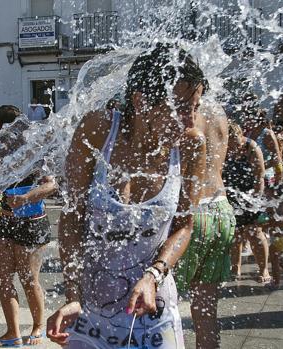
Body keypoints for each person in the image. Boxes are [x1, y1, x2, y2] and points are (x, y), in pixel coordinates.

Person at [46, 44, 207, 348]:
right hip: (90, 308)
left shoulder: (190, 145)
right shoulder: (97, 130)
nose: (191, 121)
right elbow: (72, 217)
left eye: (196, 108)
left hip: (152, 303)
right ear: (141, 101)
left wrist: (154, 275)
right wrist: (72, 296)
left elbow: (185, 226)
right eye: (182, 108)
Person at [0, 105, 57, 347]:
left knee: (29, 278)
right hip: (6, 222)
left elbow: (51, 185)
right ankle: (13, 332)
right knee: (2, 276)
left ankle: (38, 326)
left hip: (31, 224)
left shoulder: (33, 152)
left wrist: (26, 198)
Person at [173, 101, 235, 349]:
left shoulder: (188, 113)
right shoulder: (220, 111)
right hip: (221, 210)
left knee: (165, 303)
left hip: (192, 212)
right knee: (206, 310)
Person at [225, 122, 271, 285]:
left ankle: (263, 268)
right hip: (231, 195)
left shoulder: (252, 148)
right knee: (234, 234)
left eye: (235, 142)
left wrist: (254, 201)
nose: (233, 147)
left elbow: (260, 177)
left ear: (240, 135)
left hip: (251, 195)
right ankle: (235, 267)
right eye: (229, 143)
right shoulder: (224, 147)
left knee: (254, 233)